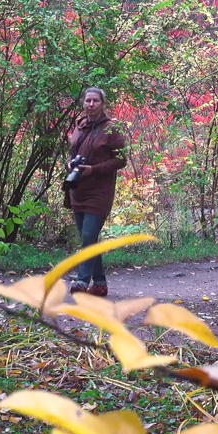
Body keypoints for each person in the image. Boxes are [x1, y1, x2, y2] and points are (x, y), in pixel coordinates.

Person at [64, 87, 127, 296]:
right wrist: (70, 164)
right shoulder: (80, 126)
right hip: (78, 190)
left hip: (99, 192)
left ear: (103, 104)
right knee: (88, 237)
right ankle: (99, 283)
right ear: (83, 103)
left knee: (89, 236)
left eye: (95, 101)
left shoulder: (111, 129)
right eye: (88, 101)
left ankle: (82, 281)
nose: (91, 104)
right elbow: (72, 152)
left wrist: (94, 169)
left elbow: (121, 159)